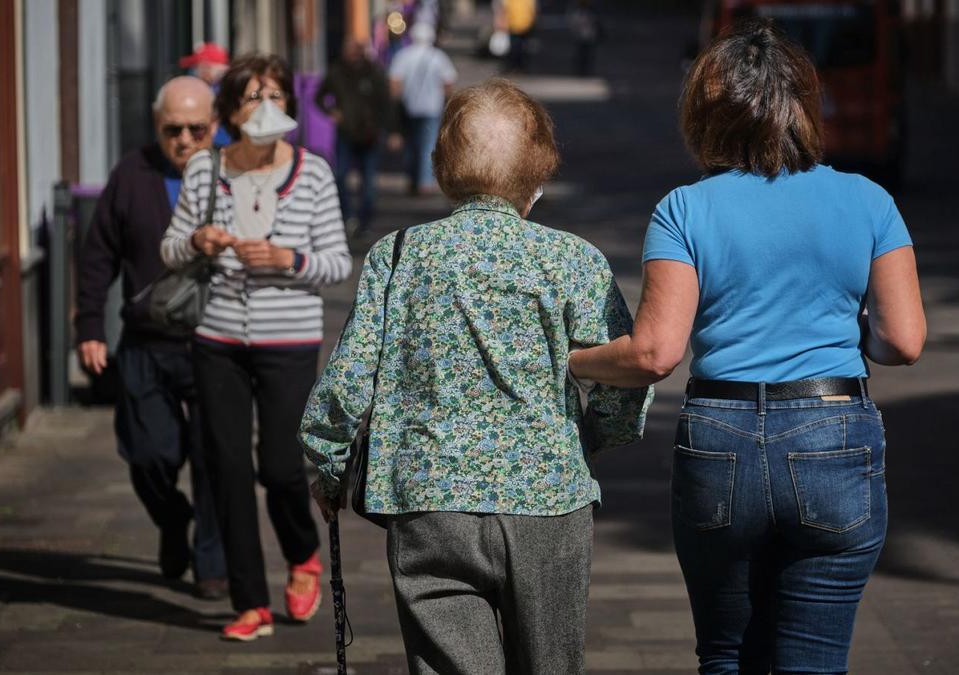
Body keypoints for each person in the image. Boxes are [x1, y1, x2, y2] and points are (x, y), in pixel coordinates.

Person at [568, 20, 926, 675]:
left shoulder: (684, 209)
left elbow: (654, 352)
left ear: (708, 113)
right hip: (834, 434)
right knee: (813, 658)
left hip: (721, 439)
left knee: (727, 653)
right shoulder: (869, 201)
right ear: (806, 107)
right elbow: (903, 341)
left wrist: (573, 360)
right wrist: (854, 328)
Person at [301, 79, 652, 674]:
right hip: (548, 498)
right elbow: (624, 372)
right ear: (539, 171)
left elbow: (348, 379)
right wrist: (588, 437)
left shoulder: (400, 253)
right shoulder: (573, 259)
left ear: (442, 168)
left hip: (430, 498)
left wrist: (329, 466)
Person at [160, 54, 352, 641]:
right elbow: (169, 250)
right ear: (229, 113)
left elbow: (338, 262)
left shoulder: (313, 173)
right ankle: (250, 601)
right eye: (251, 97)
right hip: (216, 336)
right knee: (226, 466)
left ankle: (302, 554)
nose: (266, 107)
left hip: (288, 338)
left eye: (276, 95)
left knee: (277, 463)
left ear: (291, 105)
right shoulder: (204, 171)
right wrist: (198, 239)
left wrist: (287, 259)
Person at [75, 76, 228, 600]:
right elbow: (98, 255)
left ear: (215, 126)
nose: (184, 140)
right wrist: (90, 327)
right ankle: (171, 518)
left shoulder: (234, 173)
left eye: (197, 129)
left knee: (214, 458)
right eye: (172, 130)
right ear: (156, 127)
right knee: (147, 454)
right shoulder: (132, 175)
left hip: (216, 341)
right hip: (146, 338)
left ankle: (212, 562)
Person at [315, 38, 393, 237]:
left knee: (368, 182)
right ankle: (347, 217)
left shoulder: (374, 72)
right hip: (346, 133)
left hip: (370, 134)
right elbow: (319, 97)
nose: (351, 54)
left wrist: (389, 130)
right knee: (340, 175)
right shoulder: (336, 72)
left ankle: (365, 221)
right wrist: (332, 112)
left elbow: (386, 102)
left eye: (354, 50)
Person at [389, 22, 457, 196]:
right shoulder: (438, 57)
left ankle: (412, 178)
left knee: (411, 145)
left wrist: (396, 105)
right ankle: (424, 182)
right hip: (431, 108)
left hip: (409, 107)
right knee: (428, 145)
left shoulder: (403, 56)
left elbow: (394, 84)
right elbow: (448, 83)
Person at [180, 42, 233, 146]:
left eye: (195, 67)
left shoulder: (214, 92)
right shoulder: (232, 85)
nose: (193, 72)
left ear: (206, 68)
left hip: (218, 147)